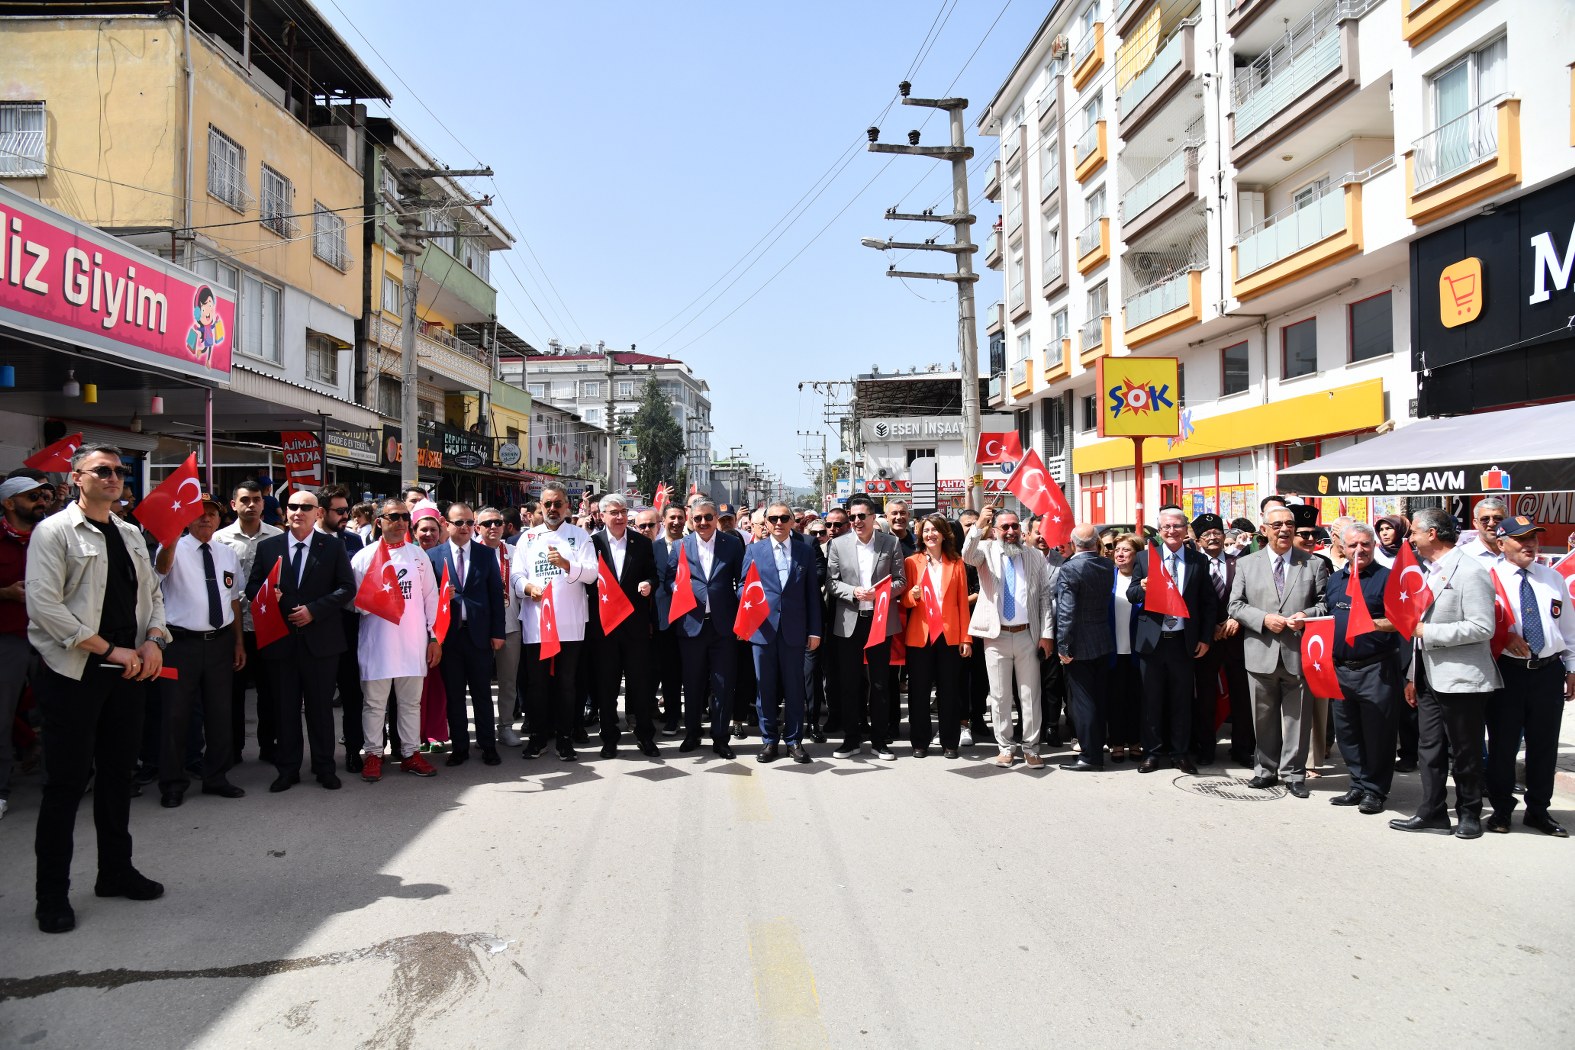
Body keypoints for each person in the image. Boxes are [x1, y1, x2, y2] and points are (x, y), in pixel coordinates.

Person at [27, 443, 168, 933]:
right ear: (76, 478)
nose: (114, 477)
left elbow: (152, 593)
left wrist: (154, 640)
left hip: (128, 672)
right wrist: (109, 649)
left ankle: (115, 872)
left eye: (120, 471)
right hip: (73, 673)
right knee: (65, 785)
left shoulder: (129, 533)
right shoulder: (53, 532)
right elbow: (44, 606)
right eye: (102, 470)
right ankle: (51, 894)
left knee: (117, 776)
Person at [1388, 507, 1500, 839]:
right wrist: (1413, 675)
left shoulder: (1470, 570)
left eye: (1414, 532)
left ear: (1432, 533)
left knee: (1465, 751)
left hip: (1462, 678)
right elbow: (1417, 626)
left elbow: (1483, 626)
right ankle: (1433, 812)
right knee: (1430, 749)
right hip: (1428, 677)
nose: (1410, 539)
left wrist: (1430, 632)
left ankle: (1469, 812)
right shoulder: (1427, 570)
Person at [244, 488, 356, 793]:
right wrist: (268, 594)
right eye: (293, 506)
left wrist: (313, 611)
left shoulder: (332, 546)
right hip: (281, 642)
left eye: (306, 507)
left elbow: (347, 588)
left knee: (320, 710)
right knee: (285, 710)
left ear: (317, 513)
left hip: (321, 642)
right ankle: (287, 769)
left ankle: (324, 768)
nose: (298, 512)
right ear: (285, 512)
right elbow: (252, 587)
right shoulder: (269, 547)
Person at [151, 491, 247, 808]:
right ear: (187, 518)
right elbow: (161, 569)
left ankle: (216, 776)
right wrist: (170, 539)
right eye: (199, 513)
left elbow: (233, 600)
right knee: (175, 715)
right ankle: (172, 783)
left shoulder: (226, 553)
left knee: (220, 714)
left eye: (212, 513)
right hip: (180, 645)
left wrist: (238, 642)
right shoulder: (172, 547)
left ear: (220, 519)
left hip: (219, 643)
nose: (206, 518)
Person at [1228, 503, 1327, 795]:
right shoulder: (1247, 564)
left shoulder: (1313, 563)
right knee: (1263, 718)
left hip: (1299, 653)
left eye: (1289, 525)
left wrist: (1306, 616)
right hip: (1261, 651)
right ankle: (1266, 770)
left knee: (1298, 719)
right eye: (1277, 525)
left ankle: (1294, 774)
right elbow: (1235, 605)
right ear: (1264, 530)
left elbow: (1324, 604)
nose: (1284, 530)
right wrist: (1263, 619)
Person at [1486, 516, 1575, 836]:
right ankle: (1501, 810)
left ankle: (1538, 810)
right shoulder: (1488, 577)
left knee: (1544, 745)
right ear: (1501, 544)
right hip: (1507, 672)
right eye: (1521, 539)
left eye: (1533, 538)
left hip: (1548, 672)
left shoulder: (1552, 578)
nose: (1530, 544)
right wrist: (1504, 636)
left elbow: (1568, 628)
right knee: (1503, 745)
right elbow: (1480, 624)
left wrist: (1571, 667)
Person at [350, 499, 441, 782]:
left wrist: (434, 638)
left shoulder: (418, 555)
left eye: (404, 516)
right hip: (377, 644)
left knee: (411, 704)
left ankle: (411, 753)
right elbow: (352, 603)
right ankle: (373, 754)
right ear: (379, 521)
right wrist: (373, 599)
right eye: (394, 516)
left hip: (413, 643)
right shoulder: (364, 557)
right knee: (374, 704)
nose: (401, 521)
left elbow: (431, 599)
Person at [963, 498, 1055, 768]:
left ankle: (1031, 748)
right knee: (1000, 695)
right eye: (1005, 527)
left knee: (1030, 695)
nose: (1011, 531)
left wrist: (1047, 634)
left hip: (1028, 635)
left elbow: (1045, 597)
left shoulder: (1034, 555)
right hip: (996, 636)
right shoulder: (986, 550)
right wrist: (979, 525)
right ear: (995, 530)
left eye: (1015, 526)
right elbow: (967, 555)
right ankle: (1005, 747)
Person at [1129, 507, 1219, 776]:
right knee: (1151, 700)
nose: (1172, 531)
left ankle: (1180, 753)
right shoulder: (1145, 558)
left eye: (1177, 526)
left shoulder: (1197, 560)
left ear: (1185, 529)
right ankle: (1152, 753)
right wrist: (1142, 587)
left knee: (1182, 701)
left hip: (1183, 641)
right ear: (1159, 530)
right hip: (1152, 642)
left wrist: (1205, 638)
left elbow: (1208, 603)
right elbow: (1132, 594)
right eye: (1166, 527)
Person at [514, 484, 597, 761]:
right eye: (547, 504)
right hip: (537, 623)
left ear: (567, 506)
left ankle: (565, 738)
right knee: (536, 683)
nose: (552, 509)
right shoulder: (528, 538)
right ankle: (538, 737)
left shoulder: (580, 536)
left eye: (558, 503)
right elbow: (516, 575)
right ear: (540, 505)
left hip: (570, 623)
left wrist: (566, 564)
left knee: (566, 683)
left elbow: (592, 574)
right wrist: (528, 588)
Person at [1326, 522, 1403, 815]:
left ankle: (1375, 790)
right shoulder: (1335, 580)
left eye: (1365, 544)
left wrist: (1372, 624)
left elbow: (1402, 621)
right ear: (1342, 548)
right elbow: (1328, 613)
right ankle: (1357, 783)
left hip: (1376, 669)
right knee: (1347, 733)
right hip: (1342, 669)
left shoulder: (1388, 578)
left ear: (1374, 546)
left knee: (1378, 734)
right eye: (1353, 545)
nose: (1360, 550)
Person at [663, 498, 746, 759]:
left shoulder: (732, 544)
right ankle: (692, 732)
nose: (703, 522)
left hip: (724, 627)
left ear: (716, 519)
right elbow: (668, 579)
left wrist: (744, 598)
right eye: (697, 518)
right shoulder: (680, 545)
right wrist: (678, 588)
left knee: (723, 685)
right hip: (691, 626)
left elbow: (743, 579)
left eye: (708, 517)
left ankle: (720, 738)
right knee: (693, 683)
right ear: (691, 520)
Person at [827, 494, 907, 761]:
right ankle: (851, 739)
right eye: (852, 517)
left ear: (873, 517)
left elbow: (901, 581)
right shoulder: (838, 544)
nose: (857, 521)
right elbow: (832, 582)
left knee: (881, 683)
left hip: (880, 621)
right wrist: (853, 592)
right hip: (849, 621)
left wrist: (880, 593)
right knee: (850, 683)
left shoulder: (890, 542)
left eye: (862, 516)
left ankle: (880, 741)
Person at [741, 502, 822, 764]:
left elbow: (812, 594)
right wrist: (751, 599)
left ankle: (794, 740)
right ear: (765, 522)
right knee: (765, 688)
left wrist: (815, 631)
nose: (778, 522)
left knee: (794, 688)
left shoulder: (805, 550)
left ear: (792, 522)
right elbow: (742, 587)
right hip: (763, 630)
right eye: (773, 518)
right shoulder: (754, 550)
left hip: (795, 631)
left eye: (784, 518)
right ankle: (769, 740)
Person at [426, 502, 506, 767]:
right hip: (449, 638)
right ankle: (459, 747)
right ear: (446, 524)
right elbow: (427, 599)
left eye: (470, 523)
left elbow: (496, 595)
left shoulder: (485, 554)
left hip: (479, 636)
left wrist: (497, 632)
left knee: (482, 693)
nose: (465, 527)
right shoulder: (433, 556)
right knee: (454, 695)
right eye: (459, 522)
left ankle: (488, 745)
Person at [214, 481, 282, 763]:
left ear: (264, 503)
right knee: (232, 693)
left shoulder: (278, 537)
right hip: (232, 627)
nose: (251, 505)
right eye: (245, 500)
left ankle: (269, 746)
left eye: (256, 499)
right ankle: (233, 749)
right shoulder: (219, 539)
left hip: (267, 627)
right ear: (234, 505)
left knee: (270, 691)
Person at [590, 494, 660, 759]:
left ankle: (645, 735)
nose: (619, 517)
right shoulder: (592, 543)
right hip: (605, 627)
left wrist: (649, 584)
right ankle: (609, 737)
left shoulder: (641, 542)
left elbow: (653, 574)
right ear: (602, 516)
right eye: (614, 512)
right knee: (607, 685)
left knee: (639, 684)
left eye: (622, 511)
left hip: (635, 626)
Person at [0, 474, 52, 819]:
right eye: (32, 497)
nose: (42, 502)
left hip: (51, 637)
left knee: (56, 712)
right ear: (9, 503)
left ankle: (59, 779)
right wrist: (4, 593)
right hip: (9, 638)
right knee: (3, 715)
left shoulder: (51, 536)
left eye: (43, 496)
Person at [900, 514, 970, 759]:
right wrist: (913, 596)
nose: (930, 535)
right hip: (920, 636)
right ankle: (920, 742)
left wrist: (966, 638)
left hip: (949, 636)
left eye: (934, 530)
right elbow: (904, 601)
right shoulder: (912, 562)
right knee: (918, 691)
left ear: (943, 534)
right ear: (921, 535)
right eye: (926, 531)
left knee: (949, 691)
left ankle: (950, 742)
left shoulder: (957, 563)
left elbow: (962, 604)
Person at [1191, 513, 1252, 767]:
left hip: (1236, 638)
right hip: (1206, 641)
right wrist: (1209, 629)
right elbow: (1190, 602)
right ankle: (1205, 747)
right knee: (1205, 697)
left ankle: (1242, 748)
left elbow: (1249, 596)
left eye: (1217, 532)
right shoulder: (1193, 565)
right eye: (1206, 534)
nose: (1213, 537)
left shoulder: (1240, 563)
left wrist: (1235, 618)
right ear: (1198, 541)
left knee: (1242, 696)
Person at [1055, 523, 1115, 772]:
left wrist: (1063, 645)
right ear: (1096, 542)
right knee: (1098, 700)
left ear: (1073, 543)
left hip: (1079, 644)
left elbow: (1066, 611)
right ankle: (1095, 750)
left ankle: (1090, 756)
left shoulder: (1070, 568)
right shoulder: (1107, 565)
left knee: (1083, 702)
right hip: (1102, 639)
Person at [318, 485, 366, 772]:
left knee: (352, 694)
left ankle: (353, 749)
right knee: (320, 697)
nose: (345, 516)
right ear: (321, 512)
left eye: (347, 510)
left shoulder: (354, 541)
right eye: (339, 511)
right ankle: (321, 757)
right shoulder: (308, 540)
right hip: (317, 627)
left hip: (349, 627)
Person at [476, 506, 523, 748]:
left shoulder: (515, 552)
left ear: (504, 526)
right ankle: (483, 731)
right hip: (479, 628)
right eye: (487, 524)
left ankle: (505, 727)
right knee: (479, 683)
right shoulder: (470, 551)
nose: (493, 527)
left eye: (497, 522)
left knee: (508, 681)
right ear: (478, 528)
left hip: (510, 625)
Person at [410, 502, 450, 751]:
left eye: (433, 530)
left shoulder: (446, 554)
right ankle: (415, 734)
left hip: (441, 630)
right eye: (423, 529)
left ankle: (436, 733)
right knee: (415, 689)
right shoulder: (408, 556)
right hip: (413, 630)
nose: (428, 534)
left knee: (438, 685)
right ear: (414, 531)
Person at [651, 502, 687, 736]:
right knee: (670, 672)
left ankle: (694, 715)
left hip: (692, 617)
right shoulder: (652, 548)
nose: (676, 522)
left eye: (680, 517)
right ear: (663, 521)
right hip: (664, 619)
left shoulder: (693, 545)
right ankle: (672, 716)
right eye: (671, 517)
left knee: (692, 671)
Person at [1107, 534, 1144, 762]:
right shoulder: (1108, 577)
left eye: (1126, 550)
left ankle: (1136, 741)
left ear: (1137, 554)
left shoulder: (1145, 580)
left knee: (1136, 698)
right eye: (1117, 549)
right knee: (1115, 699)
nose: (1120, 554)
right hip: (1113, 649)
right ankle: (1117, 743)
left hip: (1138, 650)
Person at [1459, 497, 1508, 565]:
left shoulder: (1517, 552)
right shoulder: (1462, 555)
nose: (1491, 523)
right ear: (1476, 523)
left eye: (1497, 518)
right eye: (1485, 519)